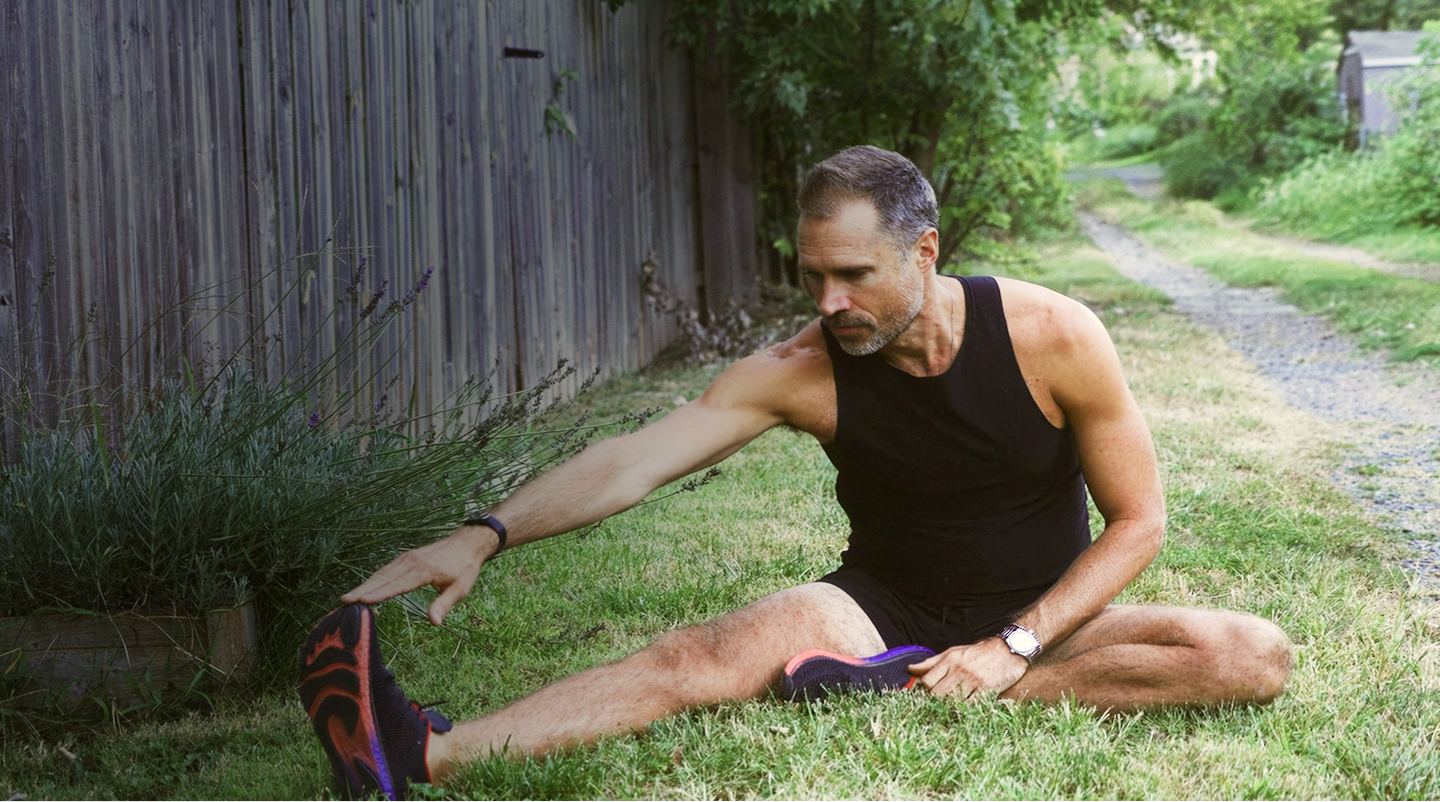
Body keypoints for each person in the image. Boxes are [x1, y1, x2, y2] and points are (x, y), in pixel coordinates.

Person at [299, 145, 1293, 800]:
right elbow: (633, 461)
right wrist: (485, 532)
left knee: (1250, 654)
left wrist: (1016, 644)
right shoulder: (800, 372)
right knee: (694, 662)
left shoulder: (1053, 335)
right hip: (875, 612)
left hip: (1046, 610)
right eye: (813, 274)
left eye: (855, 274)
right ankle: (423, 751)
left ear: (924, 252)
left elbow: (1139, 524)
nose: (830, 299)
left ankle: (900, 691)